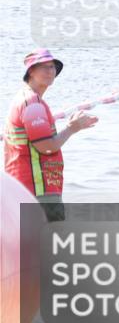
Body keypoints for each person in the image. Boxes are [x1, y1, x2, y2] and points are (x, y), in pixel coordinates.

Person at [4, 49, 98, 221]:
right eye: (44, 67)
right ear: (31, 71)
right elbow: (46, 148)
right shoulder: (32, 103)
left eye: (52, 67)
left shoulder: (26, 99)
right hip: (36, 194)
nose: (50, 71)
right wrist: (72, 128)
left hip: (25, 191)